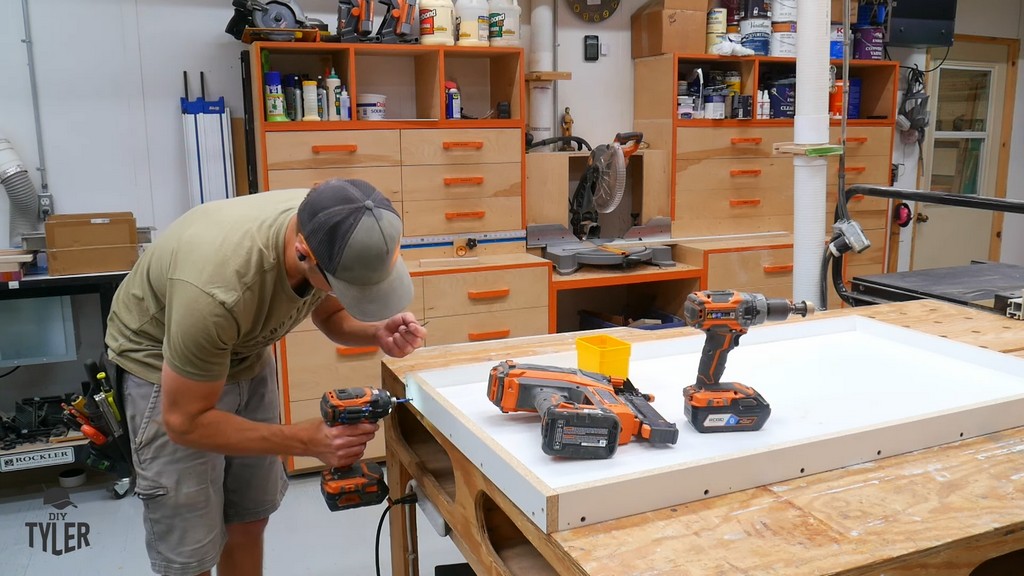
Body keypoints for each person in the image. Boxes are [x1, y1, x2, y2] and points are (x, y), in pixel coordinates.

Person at [104, 179, 426, 576]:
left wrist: (373, 332)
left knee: (249, 517)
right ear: (303, 253)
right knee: (192, 550)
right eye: (352, 288)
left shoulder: (335, 222)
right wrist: (302, 440)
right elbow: (185, 422)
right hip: (163, 365)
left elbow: (328, 312)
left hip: (244, 348)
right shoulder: (218, 291)